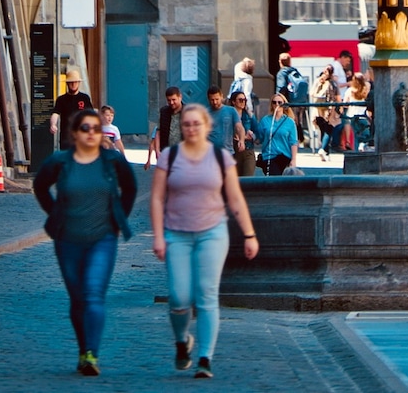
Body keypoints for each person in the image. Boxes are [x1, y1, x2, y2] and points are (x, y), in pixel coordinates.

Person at [150, 102, 259, 379]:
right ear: (181, 127)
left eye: (196, 124)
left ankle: (205, 358)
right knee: (178, 297)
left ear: (206, 126)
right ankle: (182, 339)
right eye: (186, 124)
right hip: (177, 234)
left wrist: (249, 234)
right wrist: (159, 236)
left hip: (213, 232)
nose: (191, 128)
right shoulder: (170, 156)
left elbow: (235, 198)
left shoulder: (221, 158)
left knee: (207, 294)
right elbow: (156, 198)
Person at [35, 107, 138, 375]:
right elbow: (40, 186)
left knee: (93, 294)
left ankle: (92, 354)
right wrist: (55, 212)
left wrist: (117, 220)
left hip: (102, 239)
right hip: (67, 240)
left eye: (96, 128)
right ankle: (83, 350)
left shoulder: (112, 161)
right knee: (77, 298)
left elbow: (130, 188)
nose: (91, 133)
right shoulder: (60, 161)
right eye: (85, 128)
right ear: (74, 133)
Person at [50, 68, 94, 148]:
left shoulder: (84, 98)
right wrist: (53, 124)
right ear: (67, 84)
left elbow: (91, 114)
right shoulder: (61, 99)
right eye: (71, 82)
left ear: (79, 83)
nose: (73, 84)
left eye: (75, 82)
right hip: (66, 136)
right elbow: (55, 113)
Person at [257, 96, 298, 175]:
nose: (277, 104)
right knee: (274, 180)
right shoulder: (265, 120)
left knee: (284, 184)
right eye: (274, 102)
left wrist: (293, 160)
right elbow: (259, 138)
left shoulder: (290, 122)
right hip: (270, 156)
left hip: (285, 157)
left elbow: (293, 142)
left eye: (280, 102)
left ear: (284, 105)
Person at [145, 86, 184, 169]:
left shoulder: (187, 111)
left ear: (180, 97)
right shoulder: (164, 112)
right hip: (166, 152)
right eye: (169, 100)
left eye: (174, 100)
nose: (171, 103)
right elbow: (158, 131)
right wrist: (157, 150)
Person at [312, 65, 341, 157]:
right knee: (329, 131)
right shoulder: (333, 83)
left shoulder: (318, 81)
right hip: (329, 110)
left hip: (318, 109)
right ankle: (323, 149)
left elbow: (312, 93)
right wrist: (340, 108)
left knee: (322, 130)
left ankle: (325, 153)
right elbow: (338, 98)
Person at [227, 92, 256, 176]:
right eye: (240, 100)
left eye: (245, 100)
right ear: (233, 102)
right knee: (235, 179)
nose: (243, 102)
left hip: (247, 149)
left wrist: (251, 136)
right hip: (232, 150)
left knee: (248, 178)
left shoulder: (249, 116)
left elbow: (258, 134)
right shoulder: (228, 115)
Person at [206, 88, 240, 154]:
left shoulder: (231, 111)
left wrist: (241, 140)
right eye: (212, 100)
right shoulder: (205, 113)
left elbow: (239, 127)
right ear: (208, 99)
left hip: (227, 152)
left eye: (217, 99)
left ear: (221, 96)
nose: (215, 102)